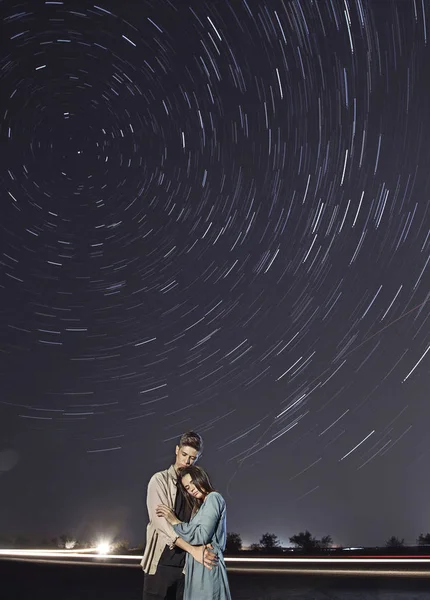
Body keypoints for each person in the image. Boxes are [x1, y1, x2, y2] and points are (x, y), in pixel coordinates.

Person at [141, 431, 218, 600]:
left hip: (187, 567)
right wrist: (193, 549)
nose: (187, 461)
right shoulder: (159, 480)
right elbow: (161, 524)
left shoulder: (194, 488)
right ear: (177, 450)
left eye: (193, 457)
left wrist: (204, 546)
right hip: (160, 564)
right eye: (184, 454)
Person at [156, 465, 232, 600]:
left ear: (200, 479)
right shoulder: (200, 506)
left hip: (207, 564)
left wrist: (175, 522)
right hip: (197, 564)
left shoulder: (213, 498)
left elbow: (201, 535)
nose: (191, 489)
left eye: (192, 483)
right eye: (187, 487)